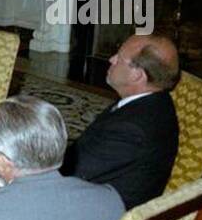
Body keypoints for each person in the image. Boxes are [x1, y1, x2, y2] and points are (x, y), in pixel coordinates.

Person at [62, 34, 180, 207]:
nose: (111, 59)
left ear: (137, 75)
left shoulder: (131, 129)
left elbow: (71, 173)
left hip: (95, 212)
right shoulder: (153, 102)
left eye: (119, 58)